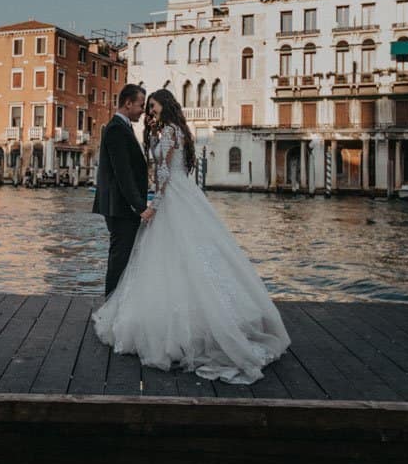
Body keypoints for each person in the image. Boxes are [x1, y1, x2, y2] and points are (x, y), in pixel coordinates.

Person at [92, 88, 290, 384]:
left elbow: (165, 176)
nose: (149, 111)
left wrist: (151, 206)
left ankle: (148, 315)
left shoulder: (169, 132)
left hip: (170, 199)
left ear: (165, 105)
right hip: (178, 197)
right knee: (183, 256)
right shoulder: (173, 131)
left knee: (168, 256)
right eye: (146, 106)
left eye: (153, 106)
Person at [92, 84, 152, 296]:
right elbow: (123, 172)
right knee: (119, 258)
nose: (143, 110)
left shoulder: (122, 127)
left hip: (120, 205)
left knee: (122, 256)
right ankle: (111, 305)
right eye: (140, 105)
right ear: (128, 103)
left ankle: (115, 304)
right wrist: (140, 207)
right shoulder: (117, 128)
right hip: (120, 207)